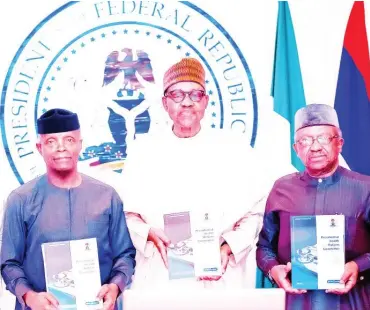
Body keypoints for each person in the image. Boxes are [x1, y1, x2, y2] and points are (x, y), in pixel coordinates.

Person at [115, 57, 274, 290]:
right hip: (162, 276)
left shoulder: (233, 148)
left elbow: (256, 212)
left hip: (221, 278)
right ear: (164, 102)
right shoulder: (144, 151)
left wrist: (229, 246)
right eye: (177, 95)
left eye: (195, 94)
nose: (187, 102)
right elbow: (128, 215)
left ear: (206, 101)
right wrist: (148, 232)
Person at [0, 108, 136, 310]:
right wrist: (30, 297)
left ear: (80, 144)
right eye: (51, 142)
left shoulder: (107, 197)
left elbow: (125, 255)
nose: (61, 148)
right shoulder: (20, 200)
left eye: (69, 140)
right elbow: (9, 264)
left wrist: (115, 286)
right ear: (40, 147)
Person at [256, 104, 370, 309]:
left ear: (340, 143)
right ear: (296, 149)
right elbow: (264, 247)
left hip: (353, 302)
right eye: (305, 140)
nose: (315, 147)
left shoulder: (365, 188)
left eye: (324, 138)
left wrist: (357, 266)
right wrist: (273, 269)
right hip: (297, 301)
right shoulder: (282, 188)